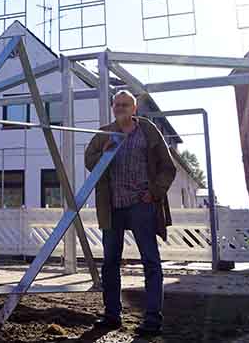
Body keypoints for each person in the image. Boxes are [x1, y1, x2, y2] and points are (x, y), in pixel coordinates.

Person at [84, 90, 177, 336]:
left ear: (134, 109)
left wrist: (155, 192)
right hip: (112, 206)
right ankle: (112, 315)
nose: (120, 108)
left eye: (125, 104)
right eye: (116, 104)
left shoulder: (148, 132)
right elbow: (89, 160)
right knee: (111, 263)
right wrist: (102, 152)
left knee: (150, 260)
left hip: (141, 204)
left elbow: (168, 167)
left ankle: (152, 318)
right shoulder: (105, 133)